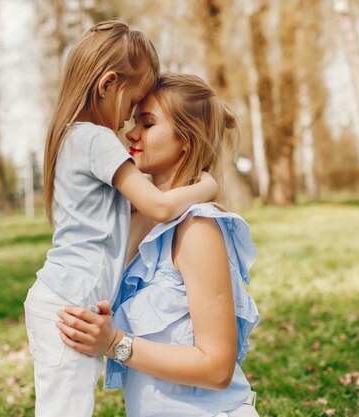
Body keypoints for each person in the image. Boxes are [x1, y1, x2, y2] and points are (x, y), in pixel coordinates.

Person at [24, 24, 218, 417]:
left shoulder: (72, 137)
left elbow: (129, 220)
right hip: (70, 304)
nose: (130, 121)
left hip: (64, 298)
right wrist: (206, 186)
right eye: (132, 104)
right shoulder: (96, 140)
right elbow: (159, 208)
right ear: (108, 84)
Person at [56, 73, 260, 417]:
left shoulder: (198, 230)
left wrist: (114, 343)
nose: (131, 133)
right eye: (134, 120)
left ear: (187, 140)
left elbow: (217, 368)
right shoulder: (135, 221)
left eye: (147, 123)